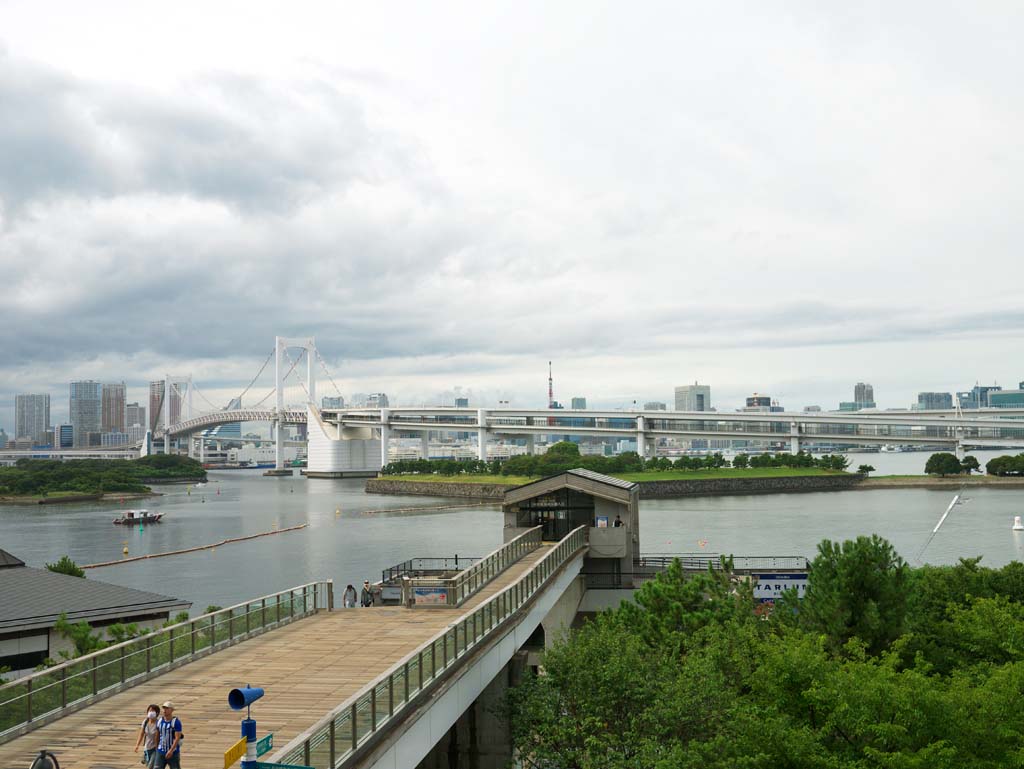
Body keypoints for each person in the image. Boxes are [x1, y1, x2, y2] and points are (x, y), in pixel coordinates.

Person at [154, 701, 183, 769]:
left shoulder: (176, 722)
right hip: (161, 751)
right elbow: (157, 735)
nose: (164, 710)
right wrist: (156, 748)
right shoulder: (160, 721)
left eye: (167, 708)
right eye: (164, 708)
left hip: (173, 752)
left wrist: (171, 750)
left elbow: (177, 738)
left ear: (172, 710)